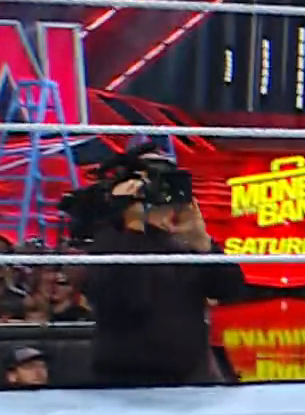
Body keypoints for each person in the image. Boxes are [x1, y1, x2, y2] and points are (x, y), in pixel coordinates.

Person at [79, 151, 246, 387]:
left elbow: (230, 290)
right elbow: (129, 299)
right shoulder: (109, 240)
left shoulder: (181, 246)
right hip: (125, 381)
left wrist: (203, 243)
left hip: (188, 381)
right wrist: (133, 222)